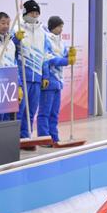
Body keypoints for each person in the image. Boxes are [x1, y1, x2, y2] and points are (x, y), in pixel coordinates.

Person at [13, 0, 51, 138]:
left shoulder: (43, 32)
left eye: (36, 13)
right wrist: (15, 40)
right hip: (23, 76)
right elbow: (9, 51)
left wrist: (45, 75)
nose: (34, 15)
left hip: (37, 76)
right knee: (20, 109)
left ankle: (26, 135)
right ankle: (14, 137)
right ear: (25, 13)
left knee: (32, 110)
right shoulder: (17, 28)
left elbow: (46, 55)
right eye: (32, 12)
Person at [37, 15, 74, 145]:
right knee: (45, 112)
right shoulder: (46, 39)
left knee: (54, 113)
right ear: (53, 26)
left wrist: (70, 56)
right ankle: (43, 138)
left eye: (62, 27)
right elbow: (48, 59)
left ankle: (54, 137)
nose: (61, 29)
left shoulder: (60, 41)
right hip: (48, 79)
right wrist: (65, 61)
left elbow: (64, 57)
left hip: (58, 81)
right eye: (59, 26)